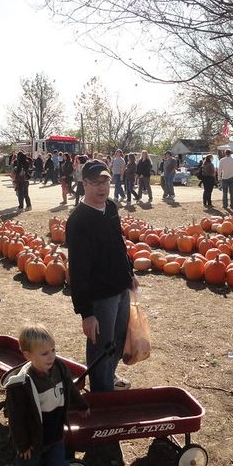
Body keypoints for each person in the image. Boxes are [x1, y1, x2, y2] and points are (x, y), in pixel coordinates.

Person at [66, 160, 137, 392]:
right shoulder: (79, 221)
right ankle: (101, 393)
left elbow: (119, 243)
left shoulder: (112, 207)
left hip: (120, 287)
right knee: (102, 345)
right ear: (84, 183)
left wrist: (129, 272)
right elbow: (77, 270)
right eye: (95, 182)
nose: (101, 187)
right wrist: (86, 313)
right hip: (100, 296)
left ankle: (109, 376)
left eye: (105, 181)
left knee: (118, 338)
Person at [3, 325, 90, 466]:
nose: (51, 356)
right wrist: (23, 445)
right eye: (44, 353)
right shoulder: (21, 384)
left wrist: (81, 404)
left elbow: (70, 387)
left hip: (56, 435)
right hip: (33, 441)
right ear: (28, 355)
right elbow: (16, 418)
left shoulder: (59, 367)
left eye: (53, 350)